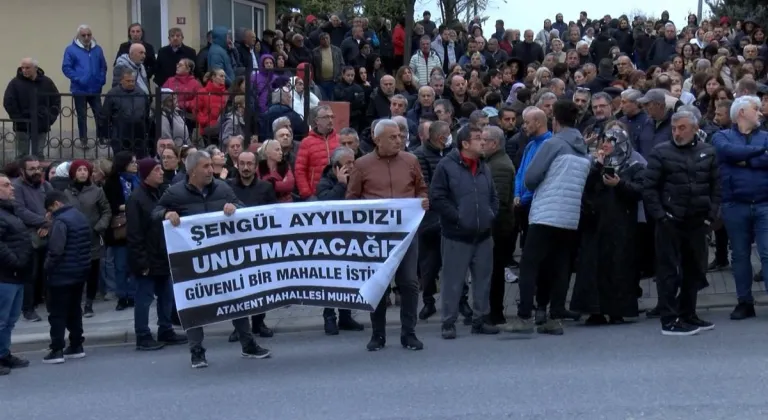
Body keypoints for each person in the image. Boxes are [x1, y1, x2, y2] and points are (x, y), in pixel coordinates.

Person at [153, 150, 270, 368]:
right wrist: (166, 215)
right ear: (192, 171)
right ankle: (196, 351)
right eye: (205, 167)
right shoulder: (175, 193)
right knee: (195, 304)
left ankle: (248, 344)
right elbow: (155, 211)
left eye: (210, 166)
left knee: (237, 299)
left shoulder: (222, 188)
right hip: (194, 260)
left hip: (224, 258)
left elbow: (242, 208)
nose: (211, 170)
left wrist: (234, 208)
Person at [504, 100, 591, 336]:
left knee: (530, 264)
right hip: (570, 215)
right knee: (560, 265)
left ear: (555, 120)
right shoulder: (583, 147)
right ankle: (554, 315)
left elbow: (530, 178)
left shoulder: (553, 144)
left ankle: (524, 316)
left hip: (546, 212)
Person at [346, 119, 429, 351]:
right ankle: (378, 334)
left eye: (400, 136)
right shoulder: (362, 165)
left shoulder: (411, 160)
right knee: (379, 285)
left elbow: (421, 187)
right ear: (377, 139)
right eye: (392, 137)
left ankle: (409, 333)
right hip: (376, 238)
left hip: (406, 234)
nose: (398, 140)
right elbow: (351, 199)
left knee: (410, 283)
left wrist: (423, 200)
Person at [643, 110, 720, 336]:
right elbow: (650, 189)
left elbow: (716, 186)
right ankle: (669, 319)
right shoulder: (660, 152)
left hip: (697, 220)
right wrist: (661, 216)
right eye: (674, 129)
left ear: (695, 129)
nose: (677, 133)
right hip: (669, 221)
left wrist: (711, 214)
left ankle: (688, 313)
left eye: (682, 128)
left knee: (694, 269)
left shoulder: (708, 152)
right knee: (668, 271)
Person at [570, 123, 645, 325]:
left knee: (618, 267)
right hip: (596, 224)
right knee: (593, 266)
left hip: (621, 225)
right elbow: (584, 188)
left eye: (610, 143)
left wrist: (619, 184)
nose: (606, 147)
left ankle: (617, 310)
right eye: (604, 143)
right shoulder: (596, 164)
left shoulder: (634, 165)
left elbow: (639, 191)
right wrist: (597, 167)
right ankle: (594, 310)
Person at [430, 125, 500, 339]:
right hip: (457, 235)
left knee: (483, 280)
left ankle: (480, 319)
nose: (483, 142)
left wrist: (490, 214)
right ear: (465, 144)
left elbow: (493, 195)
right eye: (478, 138)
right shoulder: (446, 166)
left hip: (483, 235)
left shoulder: (483, 166)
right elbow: (437, 197)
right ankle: (448, 322)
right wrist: (457, 217)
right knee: (453, 281)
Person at [711, 96, 768, 320]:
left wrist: (743, 158)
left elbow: (734, 156)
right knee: (740, 255)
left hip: (764, 203)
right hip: (735, 204)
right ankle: (744, 301)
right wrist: (759, 153)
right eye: (756, 109)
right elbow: (727, 153)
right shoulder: (721, 136)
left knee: (767, 253)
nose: (760, 113)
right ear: (742, 112)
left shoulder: (765, 136)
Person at [126, 158, 188, 351]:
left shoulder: (162, 193)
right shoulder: (136, 199)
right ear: (146, 174)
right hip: (147, 258)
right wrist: (141, 262)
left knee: (166, 295)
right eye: (156, 169)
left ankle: (165, 329)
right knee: (144, 298)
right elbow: (134, 234)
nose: (161, 172)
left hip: (163, 255)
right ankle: (143, 334)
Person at [226, 151, 277, 343]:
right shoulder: (227, 187)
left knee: (259, 285)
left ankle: (258, 323)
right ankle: (239, 326)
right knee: (237, 288)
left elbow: (273, 213)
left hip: (258, 244)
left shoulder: (265, 187)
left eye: (249, 164)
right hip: (235, 244)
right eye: (242, 164)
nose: (246, 168)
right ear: (237, 165)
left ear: (256, 166)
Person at [315, 146, 366, 335]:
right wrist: (341, 184)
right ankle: (330, 317)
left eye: (354, 162)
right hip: (331, 238)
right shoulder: (324, 183)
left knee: (348, 278)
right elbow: (327, 204)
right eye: (348, 163)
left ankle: (345, 316)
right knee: (331, 279)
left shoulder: (358, 178)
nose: (353, 166)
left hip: (351, 236)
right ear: (337, 167)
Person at [41, 190, 91, 364]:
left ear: (56, 204)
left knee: (57, 313)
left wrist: (46, 268)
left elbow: (56, 250)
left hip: (61, 273)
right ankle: (76, 344)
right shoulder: (79, 216)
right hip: (79, 271)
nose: (49, 214)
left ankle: (57, 349)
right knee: (74, 309)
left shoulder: (60, 221)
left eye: (49, 209)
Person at [63, 160, 111, 318]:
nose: (83, 172)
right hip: (72, 238)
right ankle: (75, 303)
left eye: (85, 170)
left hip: (93, 238)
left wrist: (99, 227)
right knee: (75, 273)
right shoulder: (66, 192)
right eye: (79, 170)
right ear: (73, 173)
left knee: (92, 272)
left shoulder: (97, 191)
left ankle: (89, 303)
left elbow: (106, 211)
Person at [0, 173, 34, 375]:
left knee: (10, 319)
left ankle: (4, 354)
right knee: (1, 319)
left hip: (17, 275)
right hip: (5, 275)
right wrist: (16, 261)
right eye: (6, 185)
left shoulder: (9, 211)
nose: (11, 188)